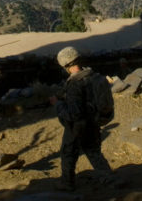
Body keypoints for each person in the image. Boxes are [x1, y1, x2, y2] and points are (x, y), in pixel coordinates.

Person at [50, 46, 112, 192]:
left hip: (78, 126)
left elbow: (73, 114)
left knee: (68, 152)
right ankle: (109, 178)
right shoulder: (93, 76)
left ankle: (67, 183)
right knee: (94, 152)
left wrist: (57, 104)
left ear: (66, 65)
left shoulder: (75, 84)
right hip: (94, 121)